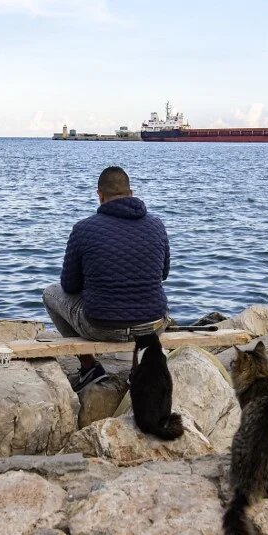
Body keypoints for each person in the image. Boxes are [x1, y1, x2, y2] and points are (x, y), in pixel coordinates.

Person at [43, 166, 170, 392]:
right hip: (153, 324)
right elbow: (163, 275)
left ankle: (89, 366)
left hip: (101, 326)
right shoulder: (157, 225)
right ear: (131, 193)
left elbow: (69, 286)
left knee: (50, 294)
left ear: (99, 195)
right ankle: (136, 369)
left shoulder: (83, 229)